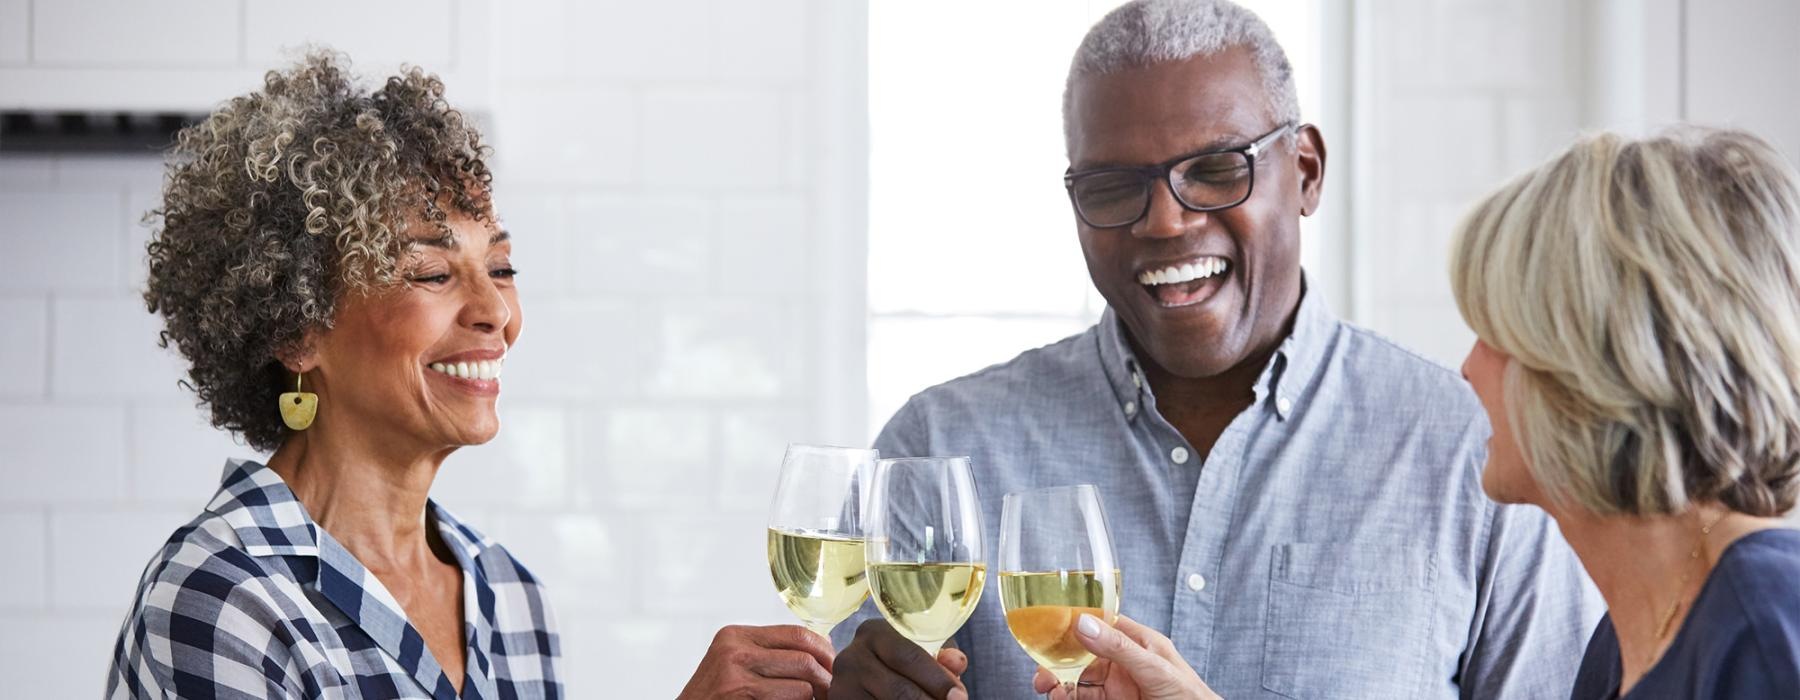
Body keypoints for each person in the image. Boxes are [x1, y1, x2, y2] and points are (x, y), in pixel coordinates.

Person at [829, 0, 1600, 697]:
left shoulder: (1477, 452)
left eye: (1215, 169)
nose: (1165, 222)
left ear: (1305, 173)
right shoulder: (941, 449)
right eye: (1111, 185)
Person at [106, 51, 833, 700]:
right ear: (295, 329)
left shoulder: (511, 599)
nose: (494, 311)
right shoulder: (225, 600)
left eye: (501, 267)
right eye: (431, 272)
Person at [1449, 127, 1800, 699]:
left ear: (1587, 361)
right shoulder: (1619, 644)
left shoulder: (1769, 622)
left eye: (1494, 334)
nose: (1468, 368)